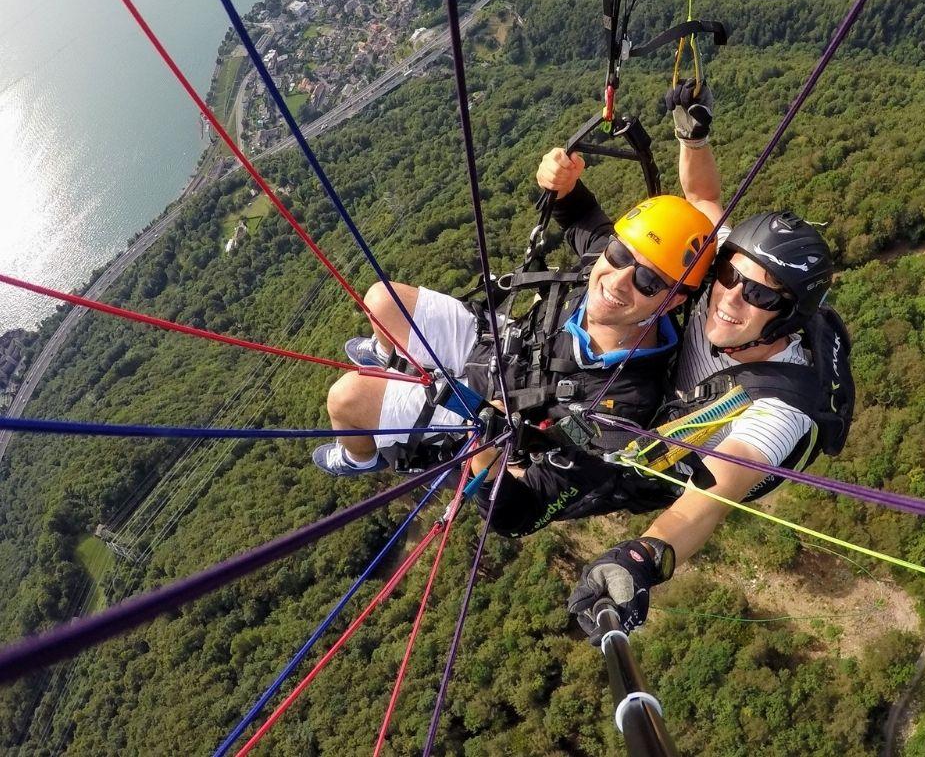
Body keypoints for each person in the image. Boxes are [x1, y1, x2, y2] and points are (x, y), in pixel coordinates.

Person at [567, 87, 855, 643]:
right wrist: (691, 136)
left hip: (684, 449)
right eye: (727, 276)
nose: (729, 297)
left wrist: (643, 556)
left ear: (788, 320)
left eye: (761, 296)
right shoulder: (723, 277)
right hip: (674, 387)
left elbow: (717, 487)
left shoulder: (778, 409)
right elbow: (702, 200)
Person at [312, 147, 717, 540]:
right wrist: (562, 180)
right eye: (618, 253)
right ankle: (390, 358)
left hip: (492, 421)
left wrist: (487, 449)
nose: (618, 280)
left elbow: (519, 514)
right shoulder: (606, 262)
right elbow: (578, 212)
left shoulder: (625, 403)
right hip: (503, 348)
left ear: (674, 300)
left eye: (648, 282)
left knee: (348, 398)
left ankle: (359, 457)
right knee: (382, 300)